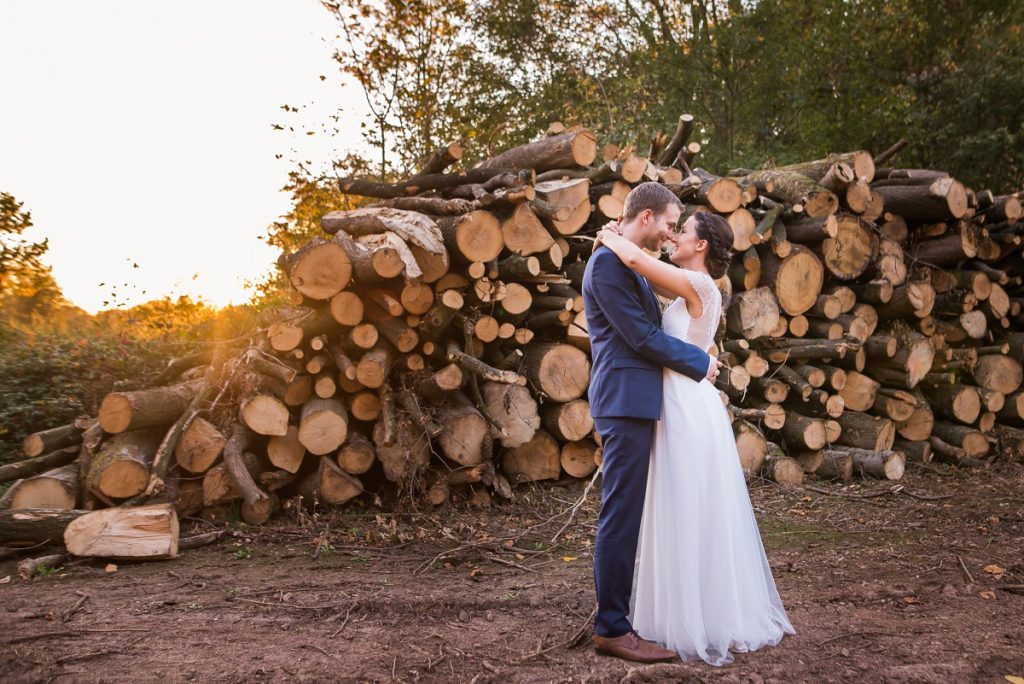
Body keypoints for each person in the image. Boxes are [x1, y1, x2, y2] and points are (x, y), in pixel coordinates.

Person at [596, 210, 795, 666]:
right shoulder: (685, 282)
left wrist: (609, 235)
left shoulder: (701, 285)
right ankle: (678, 610)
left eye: (682, 231)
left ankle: (701, 616)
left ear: (701, 244)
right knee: (675, 507)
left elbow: (633, 261)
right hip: (675, 402)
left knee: (690, 507)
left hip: (687, 406)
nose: (674, 236)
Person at [582, 182, 722, 663]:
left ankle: (628, 617)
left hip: (640, 401)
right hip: (624, 401)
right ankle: (613, 629)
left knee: (633, 513)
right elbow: (640, 336)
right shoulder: (606, 265)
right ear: (645, 217)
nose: (669, 234)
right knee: (621, 515)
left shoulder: (628, 262)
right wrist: (698, 362)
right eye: (667, 223)